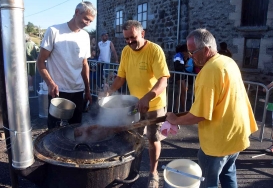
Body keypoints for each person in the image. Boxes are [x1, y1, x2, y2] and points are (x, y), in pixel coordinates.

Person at [166, 28, 258, 188]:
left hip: (218, 141)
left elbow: (200, 114)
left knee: (209, 183)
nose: (190, 56)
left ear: (206, 49)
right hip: (236, 135)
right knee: (229, 175)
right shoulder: (228, 61)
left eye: (193, 52)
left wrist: (175, 119)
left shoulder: (209, 71)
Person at [103, 20, 170, 188]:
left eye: (132, 38)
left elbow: (163, 80)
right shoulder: (126, 51)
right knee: (133, 139)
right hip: (134, 106)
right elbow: (120, 77)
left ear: (142, 33)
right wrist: (109, 91)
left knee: (153, 140)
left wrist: (148, 97)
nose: (129, 42)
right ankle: (133, 171)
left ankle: (153, 173)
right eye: (126, 39)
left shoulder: (155, 50)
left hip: (154, 105)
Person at [37, 1, 96, 129]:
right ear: (76, 12)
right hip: (58, 91)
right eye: (86, 19)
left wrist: (87, 90)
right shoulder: (54, 31)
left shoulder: (85, 36)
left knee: (75, 129)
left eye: (90, 21)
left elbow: (84, 64)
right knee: (54, 130)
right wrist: (50, 83)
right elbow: (40, 62)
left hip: (77, 91)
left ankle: (73, 150)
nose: (87, 23)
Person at [173, 44, 194, 112]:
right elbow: (177, 67)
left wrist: (185, 60)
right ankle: (183, 108)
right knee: (183, 92)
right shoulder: (178, 56)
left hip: (182, 76)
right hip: (179, 76)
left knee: (181, 92)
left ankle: (177, 108)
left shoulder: (181, 56)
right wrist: (184, 65)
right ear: (185, 51)